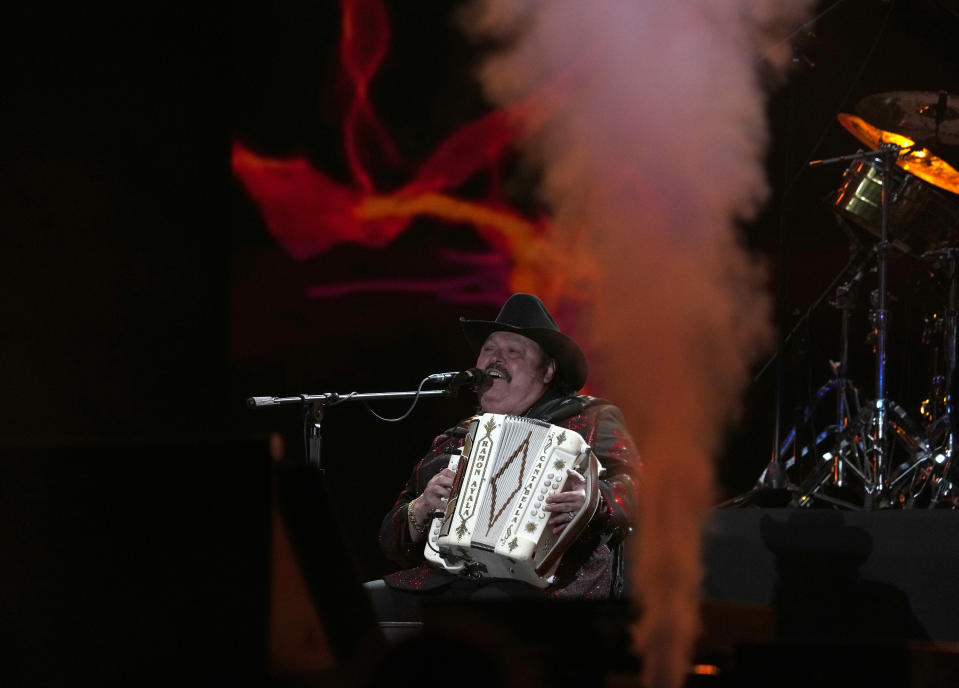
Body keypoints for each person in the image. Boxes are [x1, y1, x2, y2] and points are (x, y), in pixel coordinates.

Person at [366, 293, 640, 620]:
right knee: (355, 605)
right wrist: (422, 506)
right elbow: (389, 540)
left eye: (513, 351)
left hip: (549, 589)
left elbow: (639, 490)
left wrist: (593, 500)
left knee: (484, 609)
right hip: (445, 583)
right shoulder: (453, 439)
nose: (496, 359)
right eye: (489, 349)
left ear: (548, 370)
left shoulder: (589, 420)